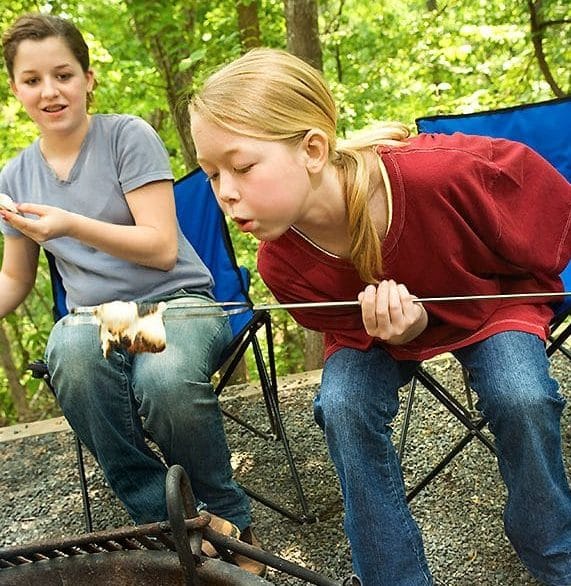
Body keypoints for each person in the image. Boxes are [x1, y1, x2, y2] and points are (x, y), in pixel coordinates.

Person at [189, 47, 571, 586]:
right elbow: (343, 329)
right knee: (342, 405)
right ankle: (393, 576)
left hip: (487, 301)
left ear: (314, 150)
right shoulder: (280, 262)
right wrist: (405, 331)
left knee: (521, 394)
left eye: (243, 167)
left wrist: (503, 278)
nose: (226, 193)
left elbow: (543, 204)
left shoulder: (434, 176)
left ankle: (552, 547)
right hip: (377, 338)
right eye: (211, 175)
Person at [0, 13, 265, 575]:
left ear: (88, 78)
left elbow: (161, 247)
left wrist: (69, 224)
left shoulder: (126, 136)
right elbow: (16, 279)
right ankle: (171, 522)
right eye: (31, 80)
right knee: (68, 353)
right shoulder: (15, 177)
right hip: (91, 320)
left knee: (163, 378)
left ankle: (229, 521)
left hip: (182, 302)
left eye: (63, 74)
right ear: (15, 88)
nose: (50, 91)